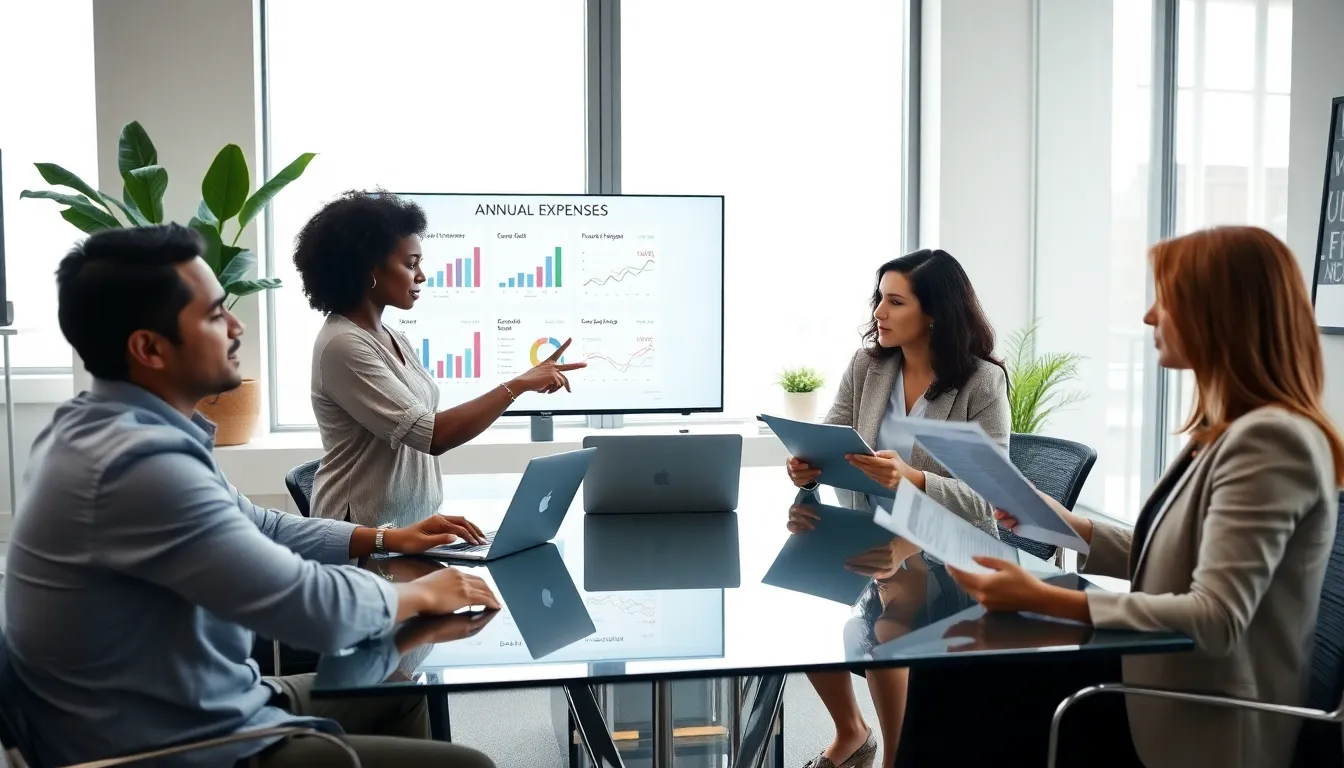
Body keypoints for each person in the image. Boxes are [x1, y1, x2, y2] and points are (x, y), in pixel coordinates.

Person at [4, 224, 502, 768]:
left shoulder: (110, 429)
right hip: (176, 745)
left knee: (399, 689)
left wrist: (385, 538)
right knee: (469, 766)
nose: (236, 326)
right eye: (215, 314)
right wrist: (422, 594)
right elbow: (305, 605)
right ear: (148, 348)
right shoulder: (136, 467)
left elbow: (262, 525)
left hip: (216, 699)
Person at [929, 226, 1344, 768]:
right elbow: (1181, 558)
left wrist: (1043, 598)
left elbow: (1215, 618)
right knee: (956, 680)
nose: (1149, 317)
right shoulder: (1228, 430)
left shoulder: (1270, 442)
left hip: (1205, 718)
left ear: (1221, 314)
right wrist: (1068, 526)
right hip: (1157, 681)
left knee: (957, 690)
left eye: (1166, 300)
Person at [783, 249, 1010, 768]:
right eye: (879, 299)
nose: (879, 313)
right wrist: (807, 468)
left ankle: (895, 758)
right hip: (871, 530)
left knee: (892, 623)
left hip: (949, 544)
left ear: (934, 313)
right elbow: (828, 438)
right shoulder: (868, 366)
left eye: (895, 301)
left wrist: (914, 478)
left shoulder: (981, 381)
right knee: (801, 611)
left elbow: (991, 494)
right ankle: (852, 732)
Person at [293, 190, 586, 528]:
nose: (421, 275)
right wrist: (517, 385)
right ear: (369, 268)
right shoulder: (343, 346)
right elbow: (433, 436)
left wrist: (427, 517)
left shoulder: (392, 336)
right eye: (410, 264)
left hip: (409, 527)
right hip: (361, 536)